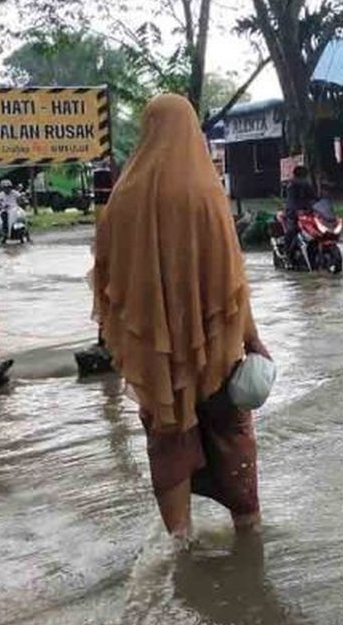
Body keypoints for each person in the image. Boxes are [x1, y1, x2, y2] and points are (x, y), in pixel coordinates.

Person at [91, 94, 271, 544]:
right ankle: (248, 534)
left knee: (168, 438)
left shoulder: (121, 200)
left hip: (155, 355)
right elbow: (232, 285)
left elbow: (109, 284)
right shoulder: (207, 194)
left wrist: (126, 339)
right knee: (231, 436)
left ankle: (178, 547)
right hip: (216, 350)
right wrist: (254, 341)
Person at [283, 165, 317, 256]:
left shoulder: (307, 185)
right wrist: (296, 211)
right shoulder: (292, 186)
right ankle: (287, 252)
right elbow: (291, 201)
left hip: (307, 212)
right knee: (292, 230)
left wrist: (317, 208)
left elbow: (314, 198)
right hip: (293, 213)